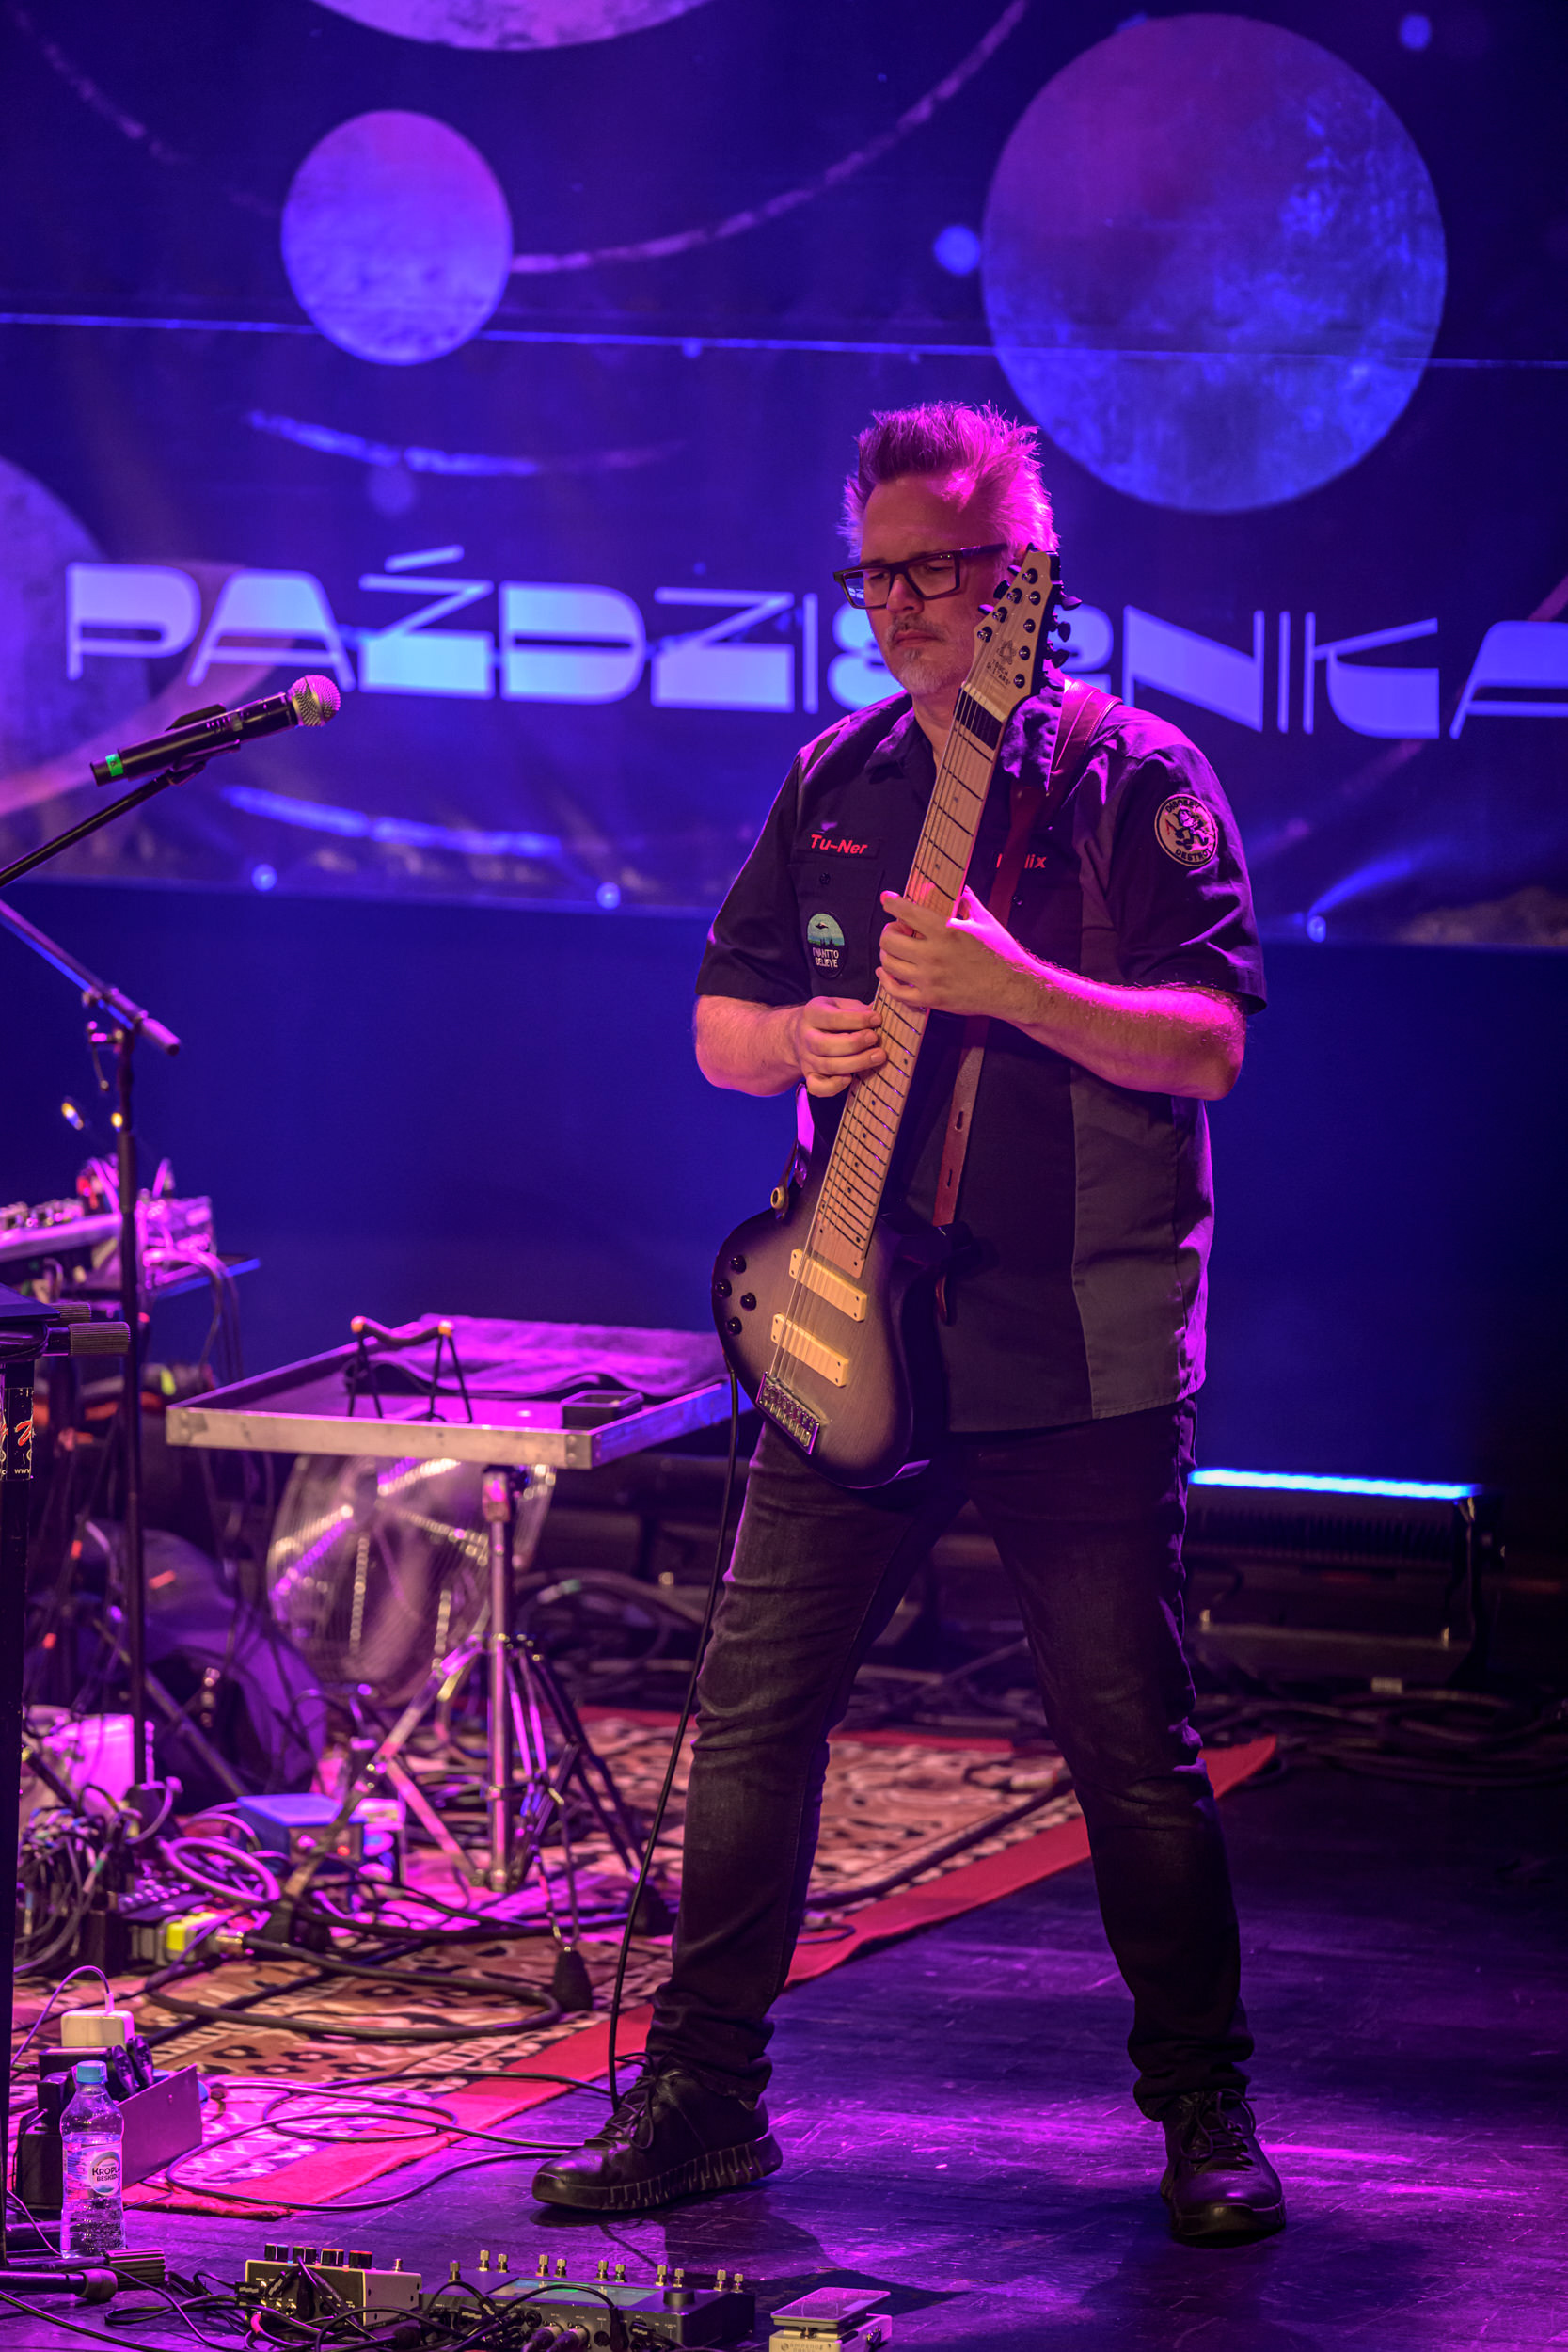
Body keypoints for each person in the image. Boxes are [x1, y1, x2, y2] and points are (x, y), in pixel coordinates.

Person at [532, 401, 1284, 2245]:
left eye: (936, 572)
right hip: (848, 1323)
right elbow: (718, 1027)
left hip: (1075, 1344)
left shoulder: (1132, 779)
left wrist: (1014, 985)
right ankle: (706, 2098)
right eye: (873, 578)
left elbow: (1210, 1042)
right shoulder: (837, 775)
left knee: (1128, 1745)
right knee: (750, 1717)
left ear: (1022, 576)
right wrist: (796, 1038)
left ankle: (1204, 2104)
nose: (899, 609)